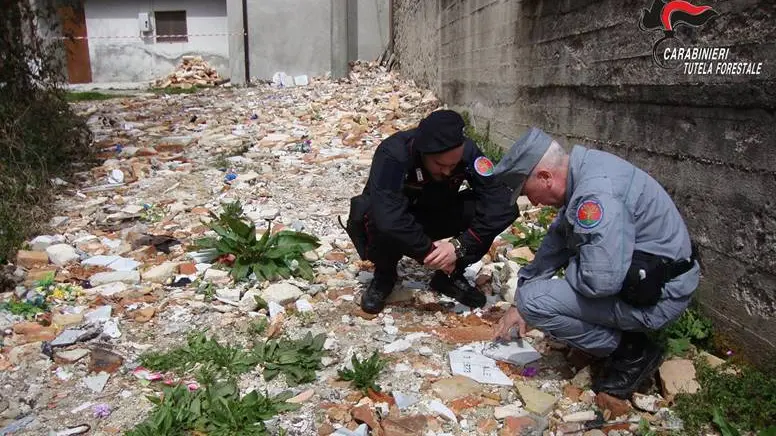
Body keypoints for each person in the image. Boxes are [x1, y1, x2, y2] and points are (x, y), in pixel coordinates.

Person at [490, 127, 700, 399]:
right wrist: (519, 298)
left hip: (659, 297)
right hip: (646, 280)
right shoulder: (584, 171)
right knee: (529, 298)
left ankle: (632, 351)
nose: (532, 201)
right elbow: (556, 241)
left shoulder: (596, 197)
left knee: (535, 302)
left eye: (528, 192)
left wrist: (540, 292)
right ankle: (619, 335)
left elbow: (599, 283)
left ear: (545, 177)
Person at [341, 110, 519, 314]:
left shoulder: (469, 151)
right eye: (440, 164)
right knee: (373, 214)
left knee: (487, 207)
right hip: (399, 222)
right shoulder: (393, 153)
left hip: (438, 211)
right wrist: (429, 251)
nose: (447, 172)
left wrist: (459, 246)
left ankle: (450, 274)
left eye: (453, 165)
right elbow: (389, 216)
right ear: (422, 152)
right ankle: (384, 275)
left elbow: (502, 202)